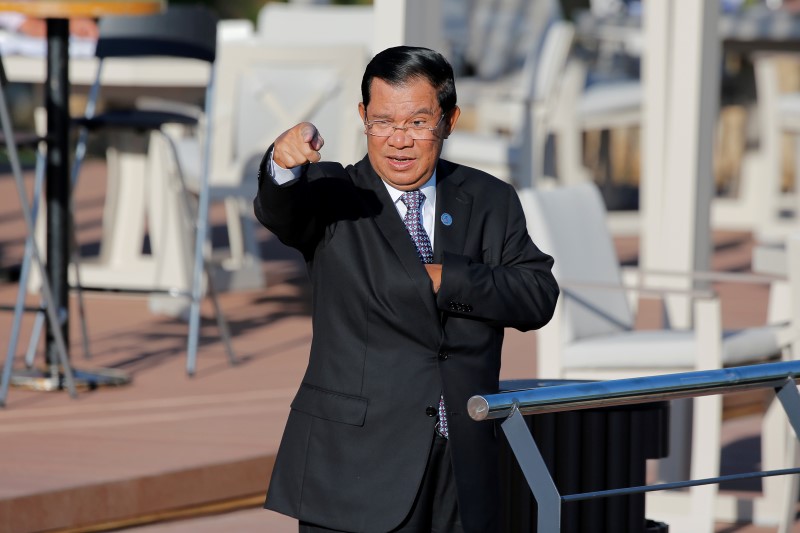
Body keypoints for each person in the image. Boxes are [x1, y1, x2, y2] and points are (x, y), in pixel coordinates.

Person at [254, 46, 559, 533]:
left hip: (461, 463)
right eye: (382, 122)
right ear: (363, 118)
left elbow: (537, 294)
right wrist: (283, 165)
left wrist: (448, 278)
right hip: (357, 466)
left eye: (417, 123)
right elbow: (281, 210)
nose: (398, 140)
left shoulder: (488, 198)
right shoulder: (334, 193)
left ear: (449, 121)